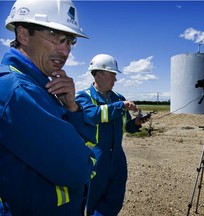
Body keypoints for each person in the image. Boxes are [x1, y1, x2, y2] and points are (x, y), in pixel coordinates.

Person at [0, 0, 97, 215]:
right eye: (54, 35)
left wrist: (72, 108)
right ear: (23, 35)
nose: (65, 51)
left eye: (70, 41)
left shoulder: (42, 85)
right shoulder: (18, 91)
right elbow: (80, 169)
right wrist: (88, 157)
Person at [75, 54, 149, 216]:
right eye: (112, 75)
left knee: (114, 199)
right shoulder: (83, 97)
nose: (115, 79)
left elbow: (127, 127)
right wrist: (120, 106)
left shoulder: (118, 98)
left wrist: (137, 123)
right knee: (91, 199)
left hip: (117, 157)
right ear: (98, 73)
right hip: (95, 158)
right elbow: (92, 115)